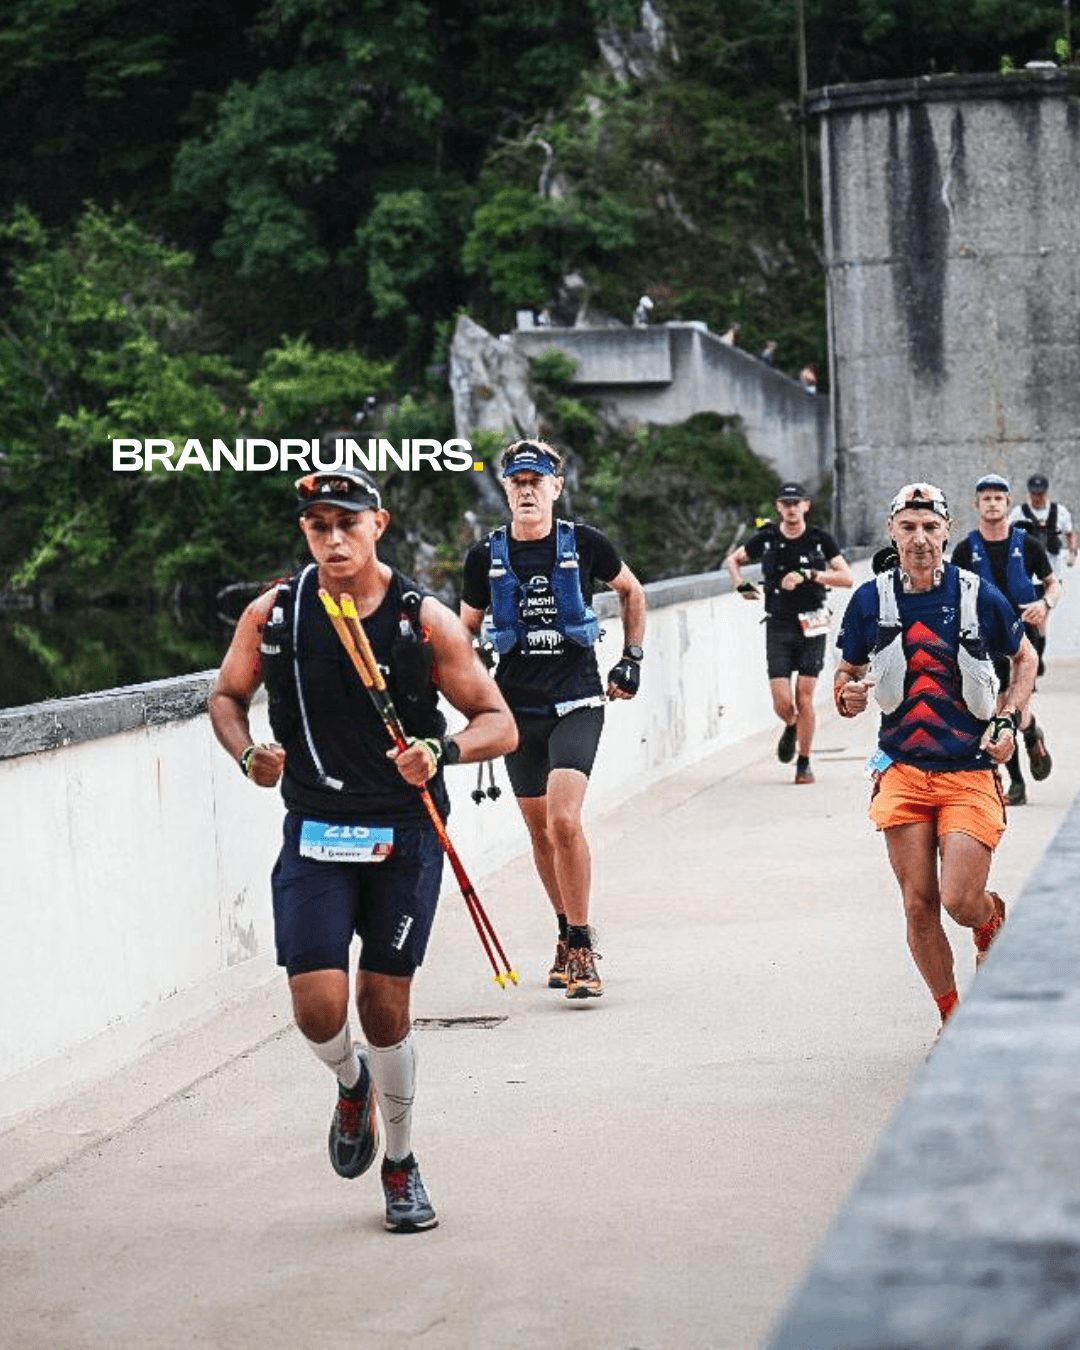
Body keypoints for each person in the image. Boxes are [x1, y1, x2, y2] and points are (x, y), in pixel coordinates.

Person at [208, 467, 517, 1233]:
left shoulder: (425, 620)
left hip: (404, 835)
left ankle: (402, 1164)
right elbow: (225, 696)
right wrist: (248, 754)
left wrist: (440, 751)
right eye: (319, 525)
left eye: (348, 521)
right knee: (319, 1010)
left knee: (385, 1010)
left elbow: (498, 722)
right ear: (306, 532)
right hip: (314, 831)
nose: (334, 537)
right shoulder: (275, 613)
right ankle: (351, 1088)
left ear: (379, 523)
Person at [834, 483, 1037, 1029]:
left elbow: (1024, 657)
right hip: (901, 769)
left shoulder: (977, 594)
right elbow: (847, 673)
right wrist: (845, 695)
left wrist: (1007, 719)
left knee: (959, 900)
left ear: (947, 531)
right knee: (917, 903)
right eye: (909, 527)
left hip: (969, 769)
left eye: (930, 527)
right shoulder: (870, 600)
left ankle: (989, 919)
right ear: (892, 533)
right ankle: (951, 1017)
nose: (920, 539)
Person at [459, 439, 647, 1000]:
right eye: (516, 482)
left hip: (578, 701)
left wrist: (631, 658)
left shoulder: (585, 544)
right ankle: (565, 933)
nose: (526, 490)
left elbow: (631, 591)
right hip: (516, 713)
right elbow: (463, 632)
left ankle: (584, 946)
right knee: (540, 833)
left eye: (536, 481)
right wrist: (470, 687)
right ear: (506, 491)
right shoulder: (483, 557)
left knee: (565, 820)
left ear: (555, 488)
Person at [725, 483, 852, 785]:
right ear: (778, 507)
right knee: (782, 701)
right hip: (778, 623)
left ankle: (804, 762)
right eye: (786, 503)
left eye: (797, 503)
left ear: (806, 506)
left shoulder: (820, 539)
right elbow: (734, 560)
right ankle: (792, 724)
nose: (792, 508)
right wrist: (740, 585)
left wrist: (810, 575)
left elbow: (846, 577)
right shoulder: (767, 538)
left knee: (804, 697)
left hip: (812, 623)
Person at [950, 472, 1061, 806]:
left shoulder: (1028, 544)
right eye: (987, 498)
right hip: (985, 639)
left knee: (1018, 705)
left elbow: (1053, 583)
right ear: (977, 504)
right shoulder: (965, 550)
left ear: (1009, 503)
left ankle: (1029, 732)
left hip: (1025, 636)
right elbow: (952, 596)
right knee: (1000, 709)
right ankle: (1017, 781)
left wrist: (1045, 603)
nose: (993, 503)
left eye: (999, 498)